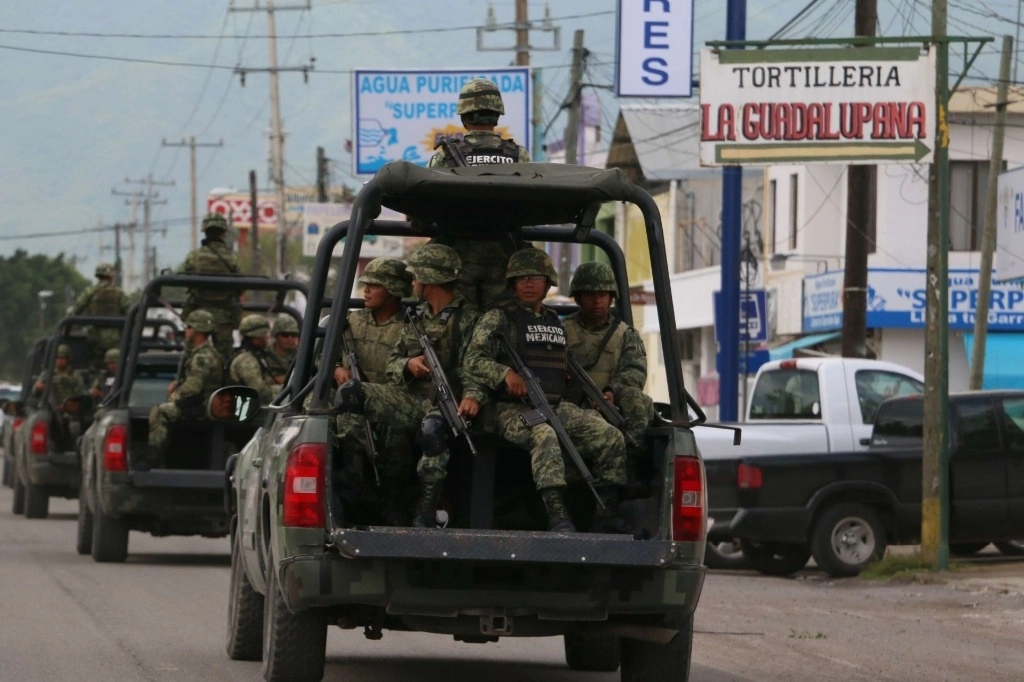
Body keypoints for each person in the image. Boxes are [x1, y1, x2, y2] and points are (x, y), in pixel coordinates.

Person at [464, 248, 627, 533]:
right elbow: (473, 361)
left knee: (610, 436)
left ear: (547, 282)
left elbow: (564, 368)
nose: (528, 283)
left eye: (535, 278)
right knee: (545, 435)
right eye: (522, 278)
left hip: (554, 404)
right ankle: (557, 516)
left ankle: (605, 512)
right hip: (511, 409)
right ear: (512, 283)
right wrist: (505, 374)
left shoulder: (554, 321)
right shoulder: (498, 318)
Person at [334, 244, 484, 527]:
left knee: (431, 431)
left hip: (450, 402)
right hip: (414, 400)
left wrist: (473, 395)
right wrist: (408, 365)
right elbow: (393, 366)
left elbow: (477, 366)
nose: (412, 283)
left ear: (430, 280)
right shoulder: (417, 319)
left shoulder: (469, 319)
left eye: (417, 277)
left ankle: (424, 512)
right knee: (351, 394)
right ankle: (351, 483)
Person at [427, 78, 532, 309]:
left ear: (464, 116)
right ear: (497, 114)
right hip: (505, 257)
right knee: (500, 329)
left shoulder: (444, 157)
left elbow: (425, 208)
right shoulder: (519, 156)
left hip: (455, 259)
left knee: (455, 328)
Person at [330, 257, 414, 522]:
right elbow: (324, 358)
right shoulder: (352, 323)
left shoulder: (410, 327)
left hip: (392, 410)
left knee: (395, 470)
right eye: (366, 284)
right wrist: (336, 369)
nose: (365, 290)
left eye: (374, 285)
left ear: (393, 291)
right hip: (353, 411)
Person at [564, 261, 654, 494]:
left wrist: (612, 391)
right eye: (590, 294)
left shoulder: (625, 334)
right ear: (578, 297)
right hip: (571, 407)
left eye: (603, 294)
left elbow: (635, 371)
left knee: (639, 400)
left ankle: (631, 464)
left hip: (612, 406)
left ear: (611, 298)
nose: (597, 301)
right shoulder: (561, 331)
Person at [147, 310, 224, 463]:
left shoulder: (202, 356)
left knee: (159, 412)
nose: (186, 330)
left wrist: (174, 396)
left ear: (198, 330)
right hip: (203, 402)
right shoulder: (202, 353)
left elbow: (193, 387)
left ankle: (153, 458)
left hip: (202, 405)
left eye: (189, 327)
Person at [180, 212, 242, 360]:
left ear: (205, 232)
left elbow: (186, 282)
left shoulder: (194, 256)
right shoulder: (232, 257)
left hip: (197, 314)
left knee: (191, 356)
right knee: (225, 358)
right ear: (223, 233)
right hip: (224, 315)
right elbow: (240, 287)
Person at [69, 262, 130, 366]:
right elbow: (130, 312)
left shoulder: (90, 292)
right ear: (111, 276)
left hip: (95, 337)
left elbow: (75, 310)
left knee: (93, 364)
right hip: (116, 339)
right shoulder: (120, 293)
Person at [34, 344, 88, 440]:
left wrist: (70, 404)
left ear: (68, 359)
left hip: (69, 413)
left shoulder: (74, 375)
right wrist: (39, 388)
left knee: (74, 429)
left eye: (63, 358)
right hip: (50, 412)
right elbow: (35, 392)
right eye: (57, 358)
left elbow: (82, 394)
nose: (60, 360)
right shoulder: (47, 374)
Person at [229, 314, 284, 404]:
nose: (267, 337)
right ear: (257, 336)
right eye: (265, 334)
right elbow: (260, 393)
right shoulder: (246, 360)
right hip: (247, 411)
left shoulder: (256, 354)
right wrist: (284, 389)